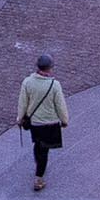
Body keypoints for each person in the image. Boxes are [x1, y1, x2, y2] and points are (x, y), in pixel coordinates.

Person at [17, 53, 69, 191]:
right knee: (44, 151)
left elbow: (23, 103)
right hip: (50, 124)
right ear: (49, 68)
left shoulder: (27, 82)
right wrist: (64, 120)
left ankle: (38, 162)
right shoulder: (54, 85)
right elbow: (60, 105)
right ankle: (39, 179)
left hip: (35, 123)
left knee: (38, 145)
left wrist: (19, 118)